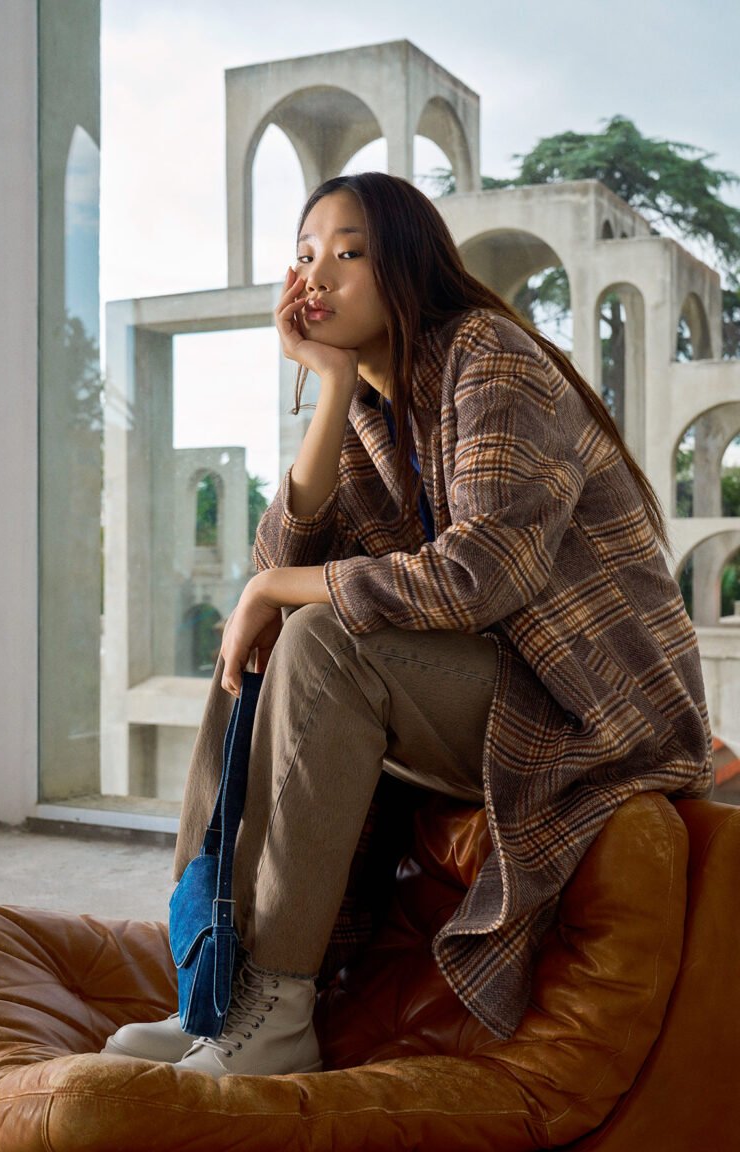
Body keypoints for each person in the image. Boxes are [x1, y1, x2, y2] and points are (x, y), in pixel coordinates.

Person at [103, 171, 712, 1079]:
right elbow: (282, 555)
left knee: (313, 634)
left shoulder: (488, 356)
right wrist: (331, 386)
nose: (318, 278)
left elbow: (482, 576)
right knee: (264, 650)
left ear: (409, 265)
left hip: (586, 705)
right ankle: (219, 992)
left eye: (349, 254)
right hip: (480, 690)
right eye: (305, 256)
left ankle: (272, 1012)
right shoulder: (368, 409)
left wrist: (278, 588)